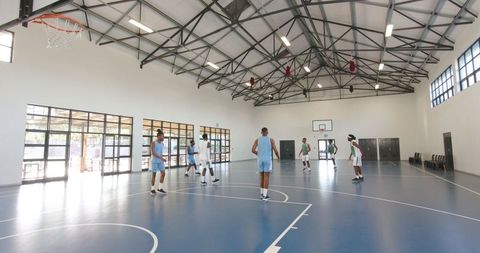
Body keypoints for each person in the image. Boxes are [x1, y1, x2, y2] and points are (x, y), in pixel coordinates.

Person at [251, 127, 280, 200]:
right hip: (267, 160)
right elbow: (275, 150)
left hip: (260, 160)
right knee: (266, 177)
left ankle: (261, 194)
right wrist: (278, 157)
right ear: (267, 132)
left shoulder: (257, 140)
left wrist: (259, 154)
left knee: (262, 177)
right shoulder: (271, 140)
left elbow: (253, 150)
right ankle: (265, 195)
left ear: (261, 132)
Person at [150, 129, 167, 195]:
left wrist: (162, 158)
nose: (163, 138)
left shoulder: (162, 144)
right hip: (154, 161)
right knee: (154, 175)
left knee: (163, 173)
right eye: (163, 136)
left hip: (160, 161)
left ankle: (160, 188)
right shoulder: (153, 143)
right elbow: (153, 153)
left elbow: (160, 152)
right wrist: (161, 158)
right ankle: (152, 189)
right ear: (159, 136)